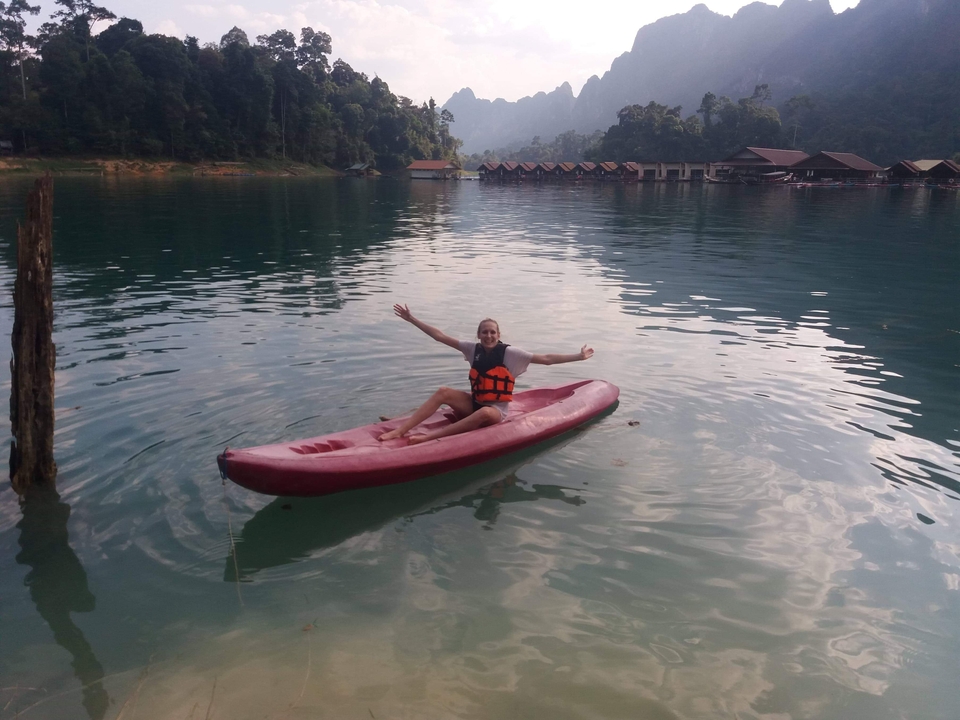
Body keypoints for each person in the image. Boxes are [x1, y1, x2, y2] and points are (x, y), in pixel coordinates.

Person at [378, 304, 594, 444]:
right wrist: (412, 319)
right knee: (443, 392)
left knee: (484, 413)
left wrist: (578, 356)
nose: (488, 335)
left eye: (492, 332)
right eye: (484, 332)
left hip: (494, 413)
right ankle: (400, 430)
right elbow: (440, 336)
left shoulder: (511, 354)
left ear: (499, 335)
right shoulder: (472, 349)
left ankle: (429, 438)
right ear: (479, 334)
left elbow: (546, 359)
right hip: (474, 403)